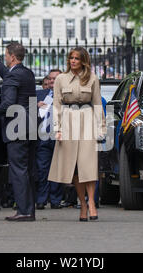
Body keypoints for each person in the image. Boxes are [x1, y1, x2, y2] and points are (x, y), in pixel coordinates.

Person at [48, 47, 106, 221]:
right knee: (74, 168)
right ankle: (82, 204)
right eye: (71, 58)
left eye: (77, 58)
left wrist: (102, 129)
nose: (73, 61)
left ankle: (92, 203)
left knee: (88, 165)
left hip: (88, 120)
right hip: (67, 122)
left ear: (83, 61)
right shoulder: (60, 79)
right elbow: (56, 105)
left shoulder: (93, 79)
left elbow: (97, 104)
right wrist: (57, 128)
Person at [0, 41, 37, 222]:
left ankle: (23, 211)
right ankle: (29, 210)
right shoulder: (26, 73)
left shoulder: (14, 77)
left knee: (18, 170)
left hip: (16, 128)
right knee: (28, 170)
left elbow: (8, 103)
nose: (5, 57)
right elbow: (7, 75)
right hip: (30, 126)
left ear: (12, 57)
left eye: (5, 55)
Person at [35, 69, 63, 210]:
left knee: (57, 170)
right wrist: (35, 106)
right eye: (50, 79)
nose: (52, 81)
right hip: (42, 137)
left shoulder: (67, 96)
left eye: (55, 79)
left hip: (59, 138)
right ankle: (41, 200)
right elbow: (25, 111)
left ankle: (56, 200)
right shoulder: (39, 94)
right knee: (42, 170)